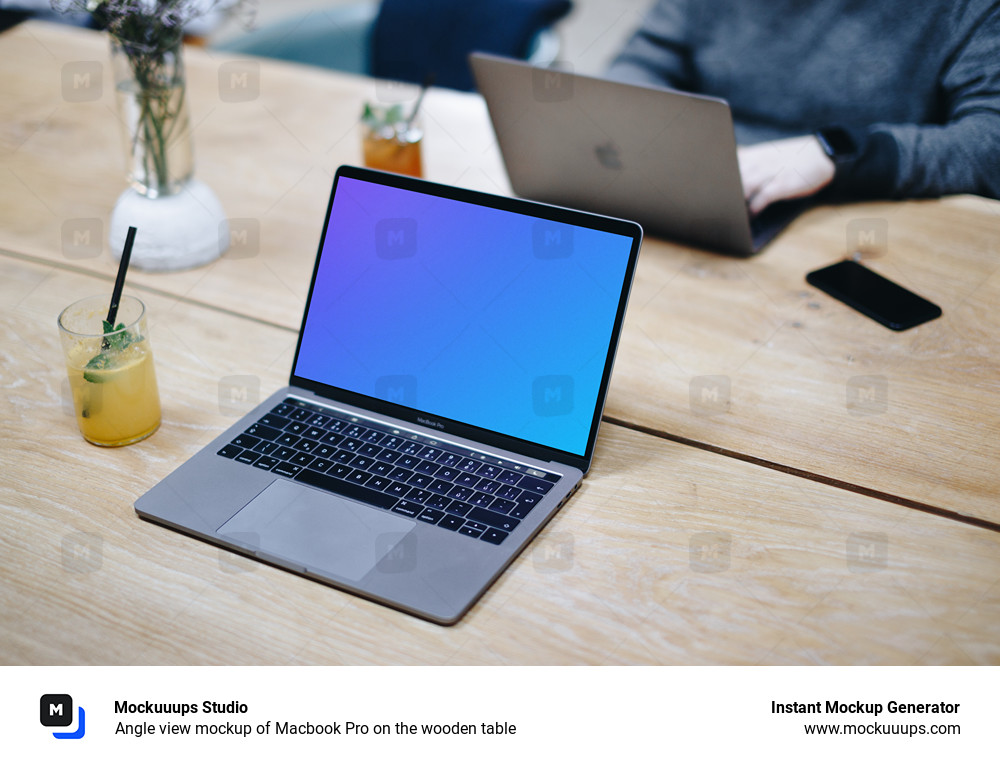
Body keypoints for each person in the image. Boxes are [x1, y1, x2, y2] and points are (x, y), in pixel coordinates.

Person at [606, 0, 1000, 214]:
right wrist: (673, 144)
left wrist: (839, 154)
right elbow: (643, 61)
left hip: (859, 206)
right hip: (698, 191)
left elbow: (989, 143)